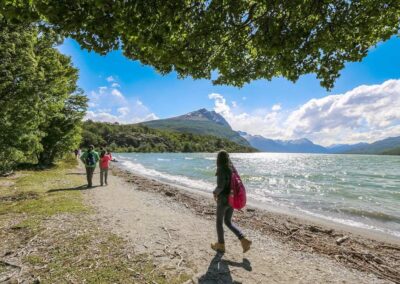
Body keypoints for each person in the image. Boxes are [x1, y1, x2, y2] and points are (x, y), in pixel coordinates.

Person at [211, 150, 252, 253]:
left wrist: (215, 193)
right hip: (232, 199)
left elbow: (221, 186)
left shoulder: (221, 169)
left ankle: (221, 245)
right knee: (228, 221)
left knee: (219, 222)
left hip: (223, 199)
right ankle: (243, 239)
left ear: (219, 159)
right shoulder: (231, 169)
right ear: (227, 158)